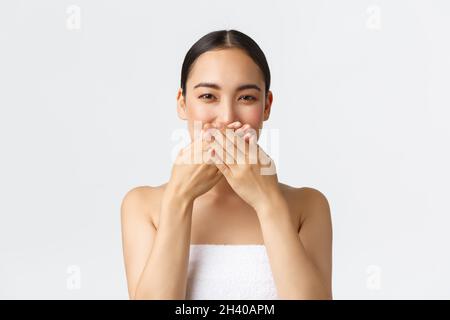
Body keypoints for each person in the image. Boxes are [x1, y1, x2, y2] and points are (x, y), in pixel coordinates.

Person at [120, 29, 333, 300]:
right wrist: (179, 198)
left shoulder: (308, 206)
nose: (226, 117)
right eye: (208, 96)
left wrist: (268, 202)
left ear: (266, 106)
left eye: (246, 98)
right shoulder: (142, 205)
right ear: (182, 103)